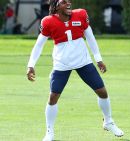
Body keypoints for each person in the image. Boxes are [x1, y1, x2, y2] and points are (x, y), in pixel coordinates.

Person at [26, 0, 124, 140]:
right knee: (53, 97)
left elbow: (90, 37)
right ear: (56, 6)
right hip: (62, 64)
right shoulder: (48, 21)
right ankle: (49, 132)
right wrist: (31, 65)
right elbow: (39, 45)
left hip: (83, 61)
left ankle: (108, 121)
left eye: (69, 1)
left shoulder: (81, 15)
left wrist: (98, 59)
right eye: (63, 2)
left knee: (102, 91)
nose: (68, 4)